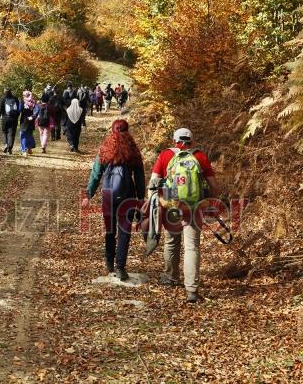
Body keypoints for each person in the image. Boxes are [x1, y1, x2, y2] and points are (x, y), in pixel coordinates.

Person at [149, 127, 220, 303]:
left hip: (172, 204)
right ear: (192, 142)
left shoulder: (166, 155)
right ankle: (192, 290)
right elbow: (213, 185)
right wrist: (212, 204)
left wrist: (154, 203)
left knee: (171, 241)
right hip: (194, 206)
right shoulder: (200, 157)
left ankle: (171, 277)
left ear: (174, 141)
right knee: (191, 247)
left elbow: (153, 181)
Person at [82, 120, 146, 280]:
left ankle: (109, 261)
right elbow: (139, 177)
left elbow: (96, 174)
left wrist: (88, 194)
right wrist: (140, 198)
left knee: (110, 229)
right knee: (125, 231)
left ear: (112, 131)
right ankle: (120, 267)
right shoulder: (133, 151)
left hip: (108, 195)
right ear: (127, 131)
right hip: (128, 195)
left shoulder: (105, 149)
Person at [0, 88, 20, 154]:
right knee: (11, 134)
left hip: (5, 118)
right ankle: (9, 149)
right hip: (14, 119)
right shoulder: (15, 98)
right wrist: (17, 115)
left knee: (4, 132)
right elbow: (18, 109)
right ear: (11, 92)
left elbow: (0, 109)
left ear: (4, 92)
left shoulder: (2, 99)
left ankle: (5, 144)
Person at [19, 90, 37, 155]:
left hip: (24, 121)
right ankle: (29, 149)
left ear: (24, 95)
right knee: (29, 135)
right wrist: (33, 116)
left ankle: (24, 150)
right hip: (31, 121)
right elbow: (37, 110)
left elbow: (19, 110)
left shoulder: (22, 102)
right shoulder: (33, 102)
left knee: (23, 135)